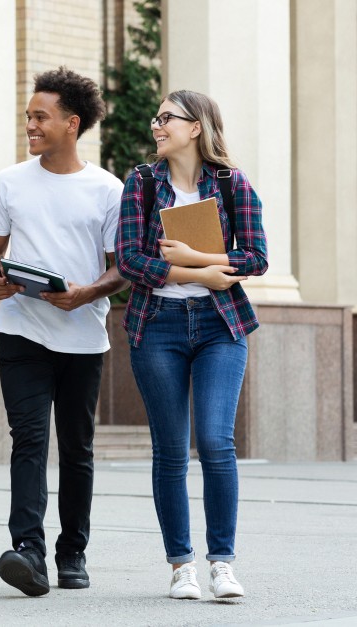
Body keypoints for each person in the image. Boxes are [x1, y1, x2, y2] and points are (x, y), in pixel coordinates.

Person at [0, 66, 127, 597]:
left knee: (78, 447)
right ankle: (28, 551)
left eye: (40, 117)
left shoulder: (109, 189)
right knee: (29, 441)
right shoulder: (8, 182)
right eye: (28, 117)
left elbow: (121, 265)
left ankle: (73, 553)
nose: (31, 125)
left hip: (84, 335)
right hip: (20, 330)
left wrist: (86, 292)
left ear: (72, 122)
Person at [115, 90, 267, 601]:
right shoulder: (140, 182)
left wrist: (203, 255)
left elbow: (258, 257)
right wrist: (197, 269)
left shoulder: (230, 183)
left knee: (217, 442)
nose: (157, 125)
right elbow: (132, 261)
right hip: (156, 325)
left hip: (220, 326)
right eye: (156, 117)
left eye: (167, 118)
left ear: (196, 126)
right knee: (171, 450)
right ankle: (181, 566)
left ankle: (222, 563)